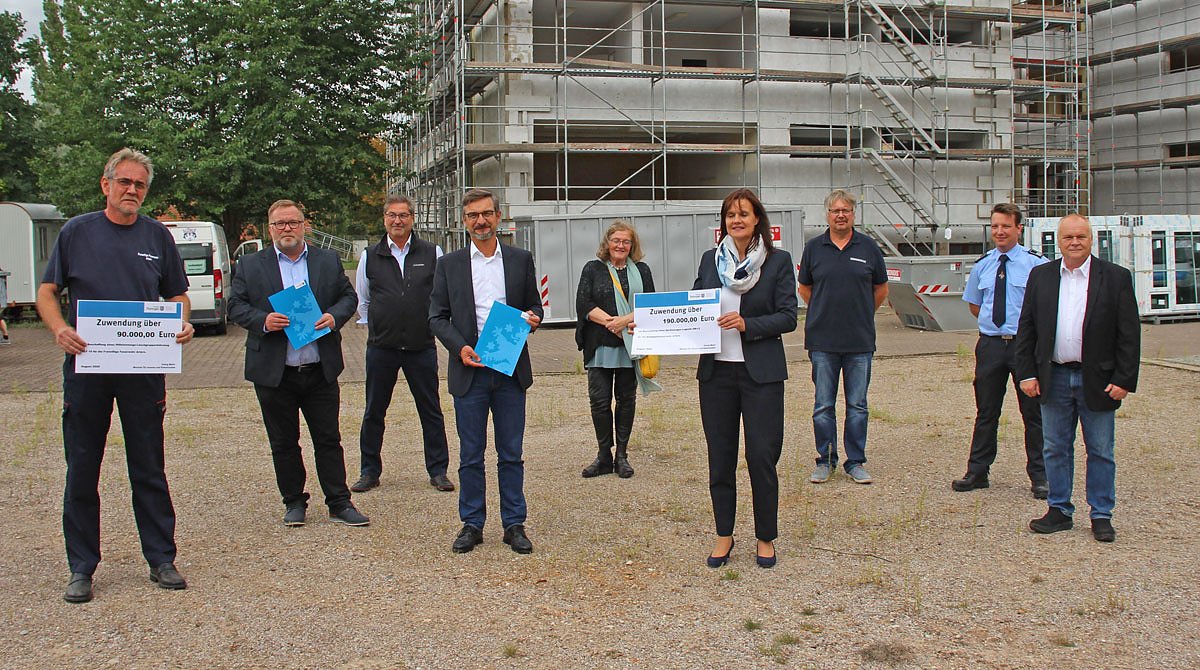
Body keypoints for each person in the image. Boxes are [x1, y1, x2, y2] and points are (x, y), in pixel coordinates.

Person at [36, 148, 195, 603]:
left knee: (149, 465)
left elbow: (178, 295)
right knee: (82, 467)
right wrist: (59, 328)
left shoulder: (157, 236)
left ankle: (161, 558)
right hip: (88, 368)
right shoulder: (76, 232)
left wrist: (182, 322)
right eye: (124, 182)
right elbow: (47, 291)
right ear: (106, 185)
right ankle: (81, 567)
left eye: (139, 184)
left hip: (142, 369)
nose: (132, 190)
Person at [228, 199, 369, 529]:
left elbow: (348, 298)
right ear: (270, 229)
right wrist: (263, 320)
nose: (287, 229)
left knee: (328, 439)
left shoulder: (327, 260)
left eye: (293, 222)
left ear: (304, 225)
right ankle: (293, 501)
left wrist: (333, 316)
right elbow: (235, 306)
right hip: (275, 372)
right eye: (280, 224)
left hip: (319, 368)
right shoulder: (250, 265)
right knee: (283, 443)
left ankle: (339, 501)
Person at [429, 188, 543, 555]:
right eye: (473, 215)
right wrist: (459, 346)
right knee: (471, 454)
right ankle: (472, 523)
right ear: (464, 221)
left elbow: (534, 306)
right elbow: (436, 317)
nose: (480, 221)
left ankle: (514, 524)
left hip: (509, 370)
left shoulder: (520, 259)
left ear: (498, 216)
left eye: (486, 214)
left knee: (511, 452)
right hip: (470, 370)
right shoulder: (449, 265)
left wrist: (534, 318)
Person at [1016, 214, 1140, 543]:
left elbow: (1129, 334)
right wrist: (1027, 372)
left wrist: (1124, 379)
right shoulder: (1041, 276)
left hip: (1098, 379)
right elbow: (1027, 328)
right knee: (1055, 448)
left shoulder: (1115, 278)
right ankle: (1059, 510)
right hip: (1053, 376)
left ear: (1091, 239)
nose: (1074, 242)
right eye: (1068, 237)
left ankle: (1101, 514)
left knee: (1100, 450)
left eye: (1080, 237)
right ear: (1058, 241)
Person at [693, 188, 797, 569]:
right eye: (730, 215)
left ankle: (765, 537)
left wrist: (747, 324)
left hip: (761, 375)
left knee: (762, 458)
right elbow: (692, 306)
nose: (736, 220)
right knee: (720, 458)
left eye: (743, 214)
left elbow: (788, 316)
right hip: (716, 374)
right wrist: (655, 326)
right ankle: (724, 534)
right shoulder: (710, 260)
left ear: (757, 220)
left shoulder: (777, 261)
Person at [351, 195, 453, 494]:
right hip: (381, 347)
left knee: (430, 410)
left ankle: (438, 470)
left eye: (403, 215)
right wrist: (381, 324)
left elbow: (440, 296)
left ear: (412, 218)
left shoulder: (432, 252)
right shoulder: (370, 255)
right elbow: (363, 300)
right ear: (384, 218)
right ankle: (369, 471)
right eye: (392, 215)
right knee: (374, 411)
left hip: (421, 346)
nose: (398, 221)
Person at [953, 203, 1050, 499]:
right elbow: (975, 304)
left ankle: (1041, 475)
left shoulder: (1036, 265)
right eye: (995, 226)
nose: (1000, 232)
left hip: (1025, 346)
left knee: (1033, 413)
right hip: (991, 345)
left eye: (1006, 226)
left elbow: (1046, 307)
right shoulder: (983, 265)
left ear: (1018, 229)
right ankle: (977, 471)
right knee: (986, 411)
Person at [798, 189, 889, 485]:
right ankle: (825, 460)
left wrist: (861, 312)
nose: (840, 215)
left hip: (859, 341)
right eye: (835, 210)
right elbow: (805, 289)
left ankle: (856, 461)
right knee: (823, 406)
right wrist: (825, 310)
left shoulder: (869, 247)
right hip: (822, 341)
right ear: (827, 215)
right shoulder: (814, 248)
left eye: (845, 210)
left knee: (858, 405)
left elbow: (881, 289)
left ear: (853, 214)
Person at [574, 220, 659, 479]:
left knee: (626, 400)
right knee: (599, 402)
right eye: (616, 241)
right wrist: (612, 323)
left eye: (626, 241)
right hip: (599, 345)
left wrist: (624, 322)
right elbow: (584, 303)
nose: (620, 245)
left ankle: (622, 455)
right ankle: (603, 456)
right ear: (607, 243)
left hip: (629, 345)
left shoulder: (642, 270)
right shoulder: (593, 268)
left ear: (632, 245)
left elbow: (650, 305)